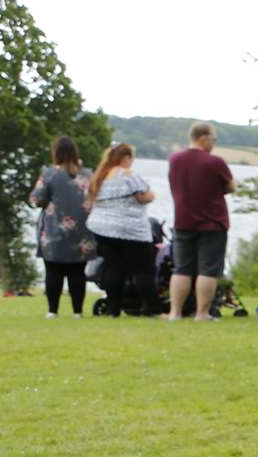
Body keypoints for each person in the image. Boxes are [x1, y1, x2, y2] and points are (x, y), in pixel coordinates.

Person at [166, 121, 237, 321]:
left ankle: (175, 312)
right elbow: (231, 187)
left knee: (182, 269)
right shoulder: (215, 162)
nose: (214, 143)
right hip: (212, 222)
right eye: (213, 139)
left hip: (182, 220)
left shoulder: (175, 159)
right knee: (208, 269)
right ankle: (202, 313)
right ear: (204, 138)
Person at [83, 143, 158, 317]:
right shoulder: (128, 175)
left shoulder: (100, 175)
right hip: (130, 229)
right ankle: (150, 308)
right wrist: (151, 195)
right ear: (126, 158)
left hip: (102, 228)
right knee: (142, 269)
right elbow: (143, 196)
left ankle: (113, 308)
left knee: (113, 267)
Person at [28, 137, 93, 318]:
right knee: (78, 272)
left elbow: (36, 199)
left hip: (54, 230)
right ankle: (77, 312)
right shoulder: (87, 174)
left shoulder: (49, 174)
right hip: (82, 230)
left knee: (53, 271)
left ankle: (52, 311)